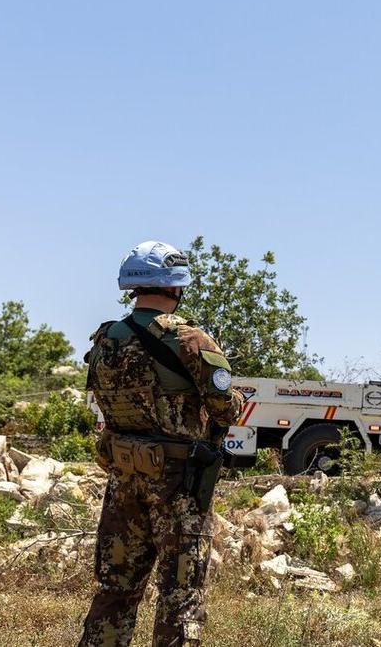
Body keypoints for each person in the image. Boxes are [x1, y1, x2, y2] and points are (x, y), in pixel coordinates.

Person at [79, 241, 245, 647]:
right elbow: (224, 409)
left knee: (114, 592)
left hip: (124, 480)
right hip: (177, 486)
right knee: (181, 598)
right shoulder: (189, 339)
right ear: (175, 286)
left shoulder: (106, 339)